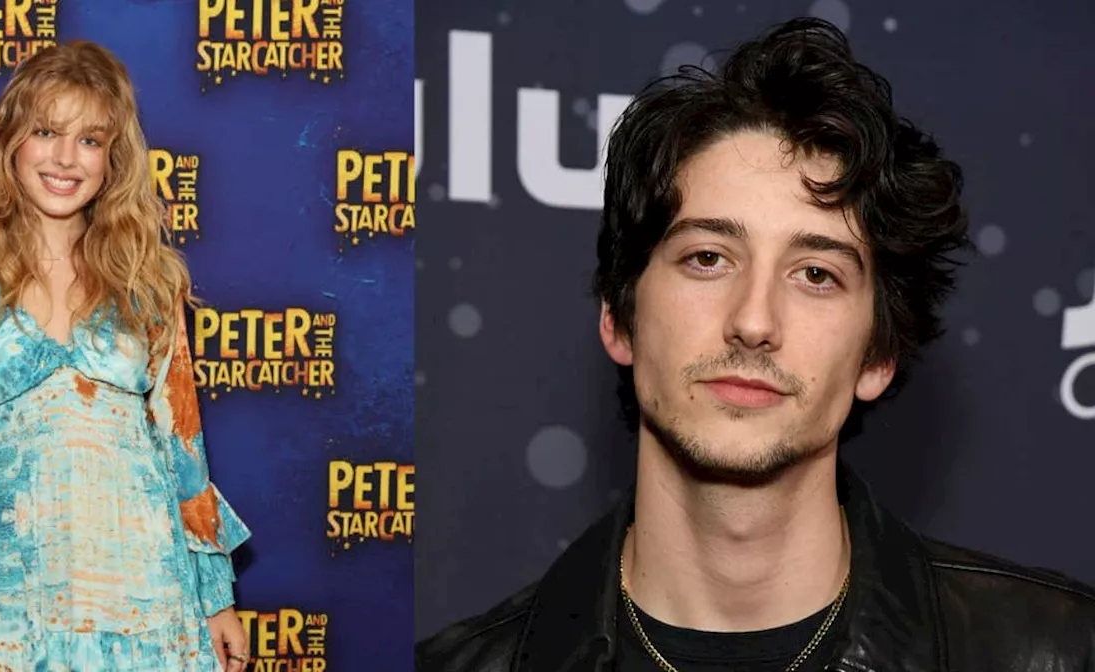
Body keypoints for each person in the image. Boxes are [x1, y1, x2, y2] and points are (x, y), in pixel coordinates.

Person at [416, 17, 1095, 672]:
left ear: (879, 356)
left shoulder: (1059, 651)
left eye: (816, 275)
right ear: (619, 317)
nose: (753, 320)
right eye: (708, 258)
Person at [0, 41, 253, 672]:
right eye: (46, 132)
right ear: (9, 142)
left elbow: (182, 452)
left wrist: (216, 600)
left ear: (113, 158)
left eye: (89, 140)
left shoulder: (149, 280)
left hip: (149, 601)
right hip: (6, 604)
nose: (64, 158)